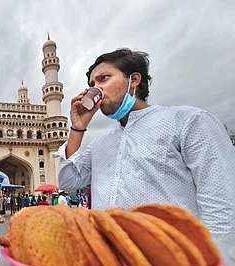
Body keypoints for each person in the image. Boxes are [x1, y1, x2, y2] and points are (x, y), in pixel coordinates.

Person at [57, 48, 235, 234]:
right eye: (92, 83)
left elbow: (221, 207)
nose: (95, 89)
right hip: (107, 257)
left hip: (170, 257)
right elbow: (68, 181)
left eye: (104, 78)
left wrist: (215, 257)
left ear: (134, 80)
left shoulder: (188, 121)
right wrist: (78, 127)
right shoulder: (101, 143)